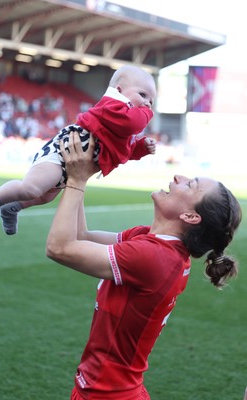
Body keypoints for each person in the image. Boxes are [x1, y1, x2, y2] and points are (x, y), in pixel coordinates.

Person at [45, 131, 242, 400]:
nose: (177, 177)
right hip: (110, 389)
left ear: (189, 216)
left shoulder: (154, 257)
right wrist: (79, 175)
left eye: (190, 185)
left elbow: (60, 247)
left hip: (107, 393)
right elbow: (81, 237)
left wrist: (76, 180)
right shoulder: (152, 241)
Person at [0, 65, 156, 235]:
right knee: (32, 189)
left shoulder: (125, 124)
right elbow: (132, 123)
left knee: (45, 197)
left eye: (151, 101)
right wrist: (148, 113)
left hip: (72, 164)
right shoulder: (113, 105)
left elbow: (121, 151)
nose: (147, 103)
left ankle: (11, 208)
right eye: (143, 95)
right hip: (60, 154)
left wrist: (140, 148)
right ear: (118, 90)